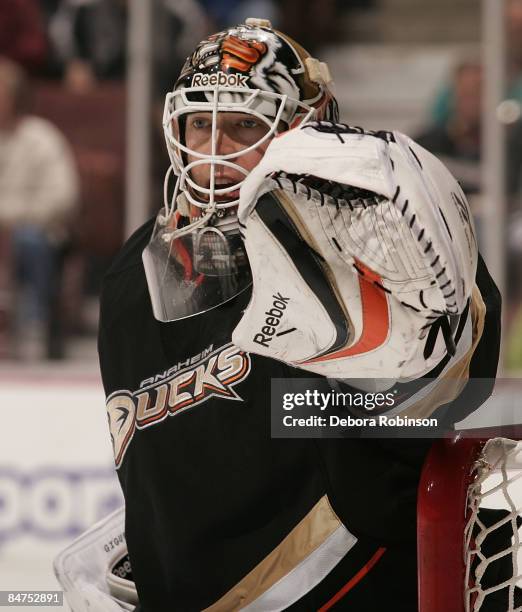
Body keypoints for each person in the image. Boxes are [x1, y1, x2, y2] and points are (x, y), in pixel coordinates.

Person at [56, 19, 503, 611]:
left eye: (243, 124)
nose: (213, 150)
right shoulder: (133, 276)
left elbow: (446, 395)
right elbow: (162, 462)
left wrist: (398, 385)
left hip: (352, 586)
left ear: (307, 130)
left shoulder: (371, 239)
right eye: (200, 124)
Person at [0, 57, 79, 359]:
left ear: (16, 98)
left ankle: (34, 325)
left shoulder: (42, 138)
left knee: (28, 241)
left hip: (39, 231)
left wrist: (11, 217)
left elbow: (63, 197)